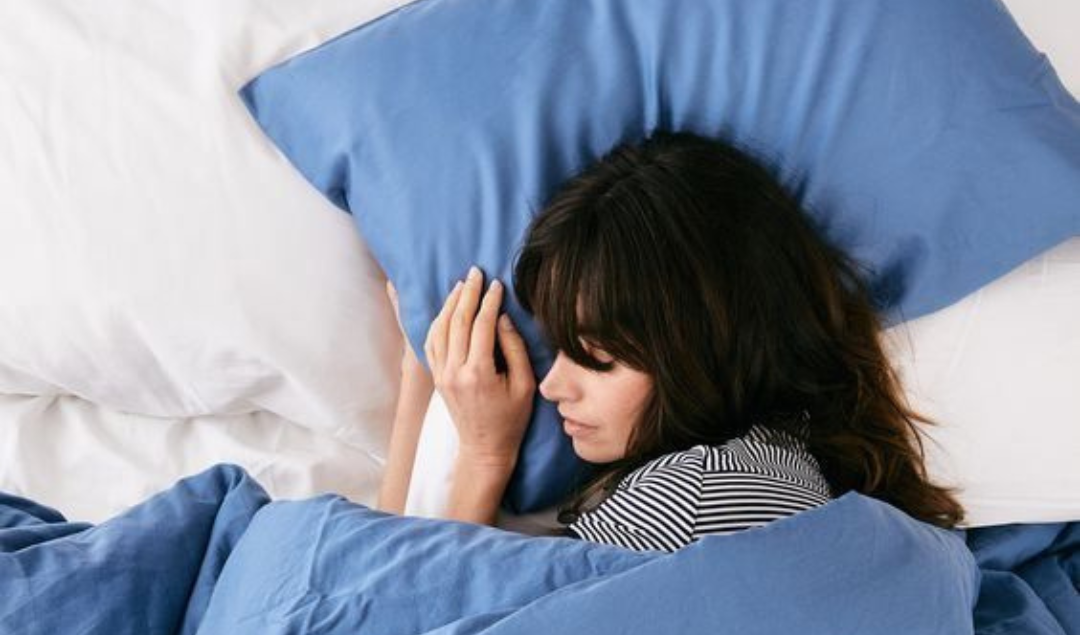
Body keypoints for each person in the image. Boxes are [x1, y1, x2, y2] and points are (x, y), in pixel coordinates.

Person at [377, 128, 965, 552]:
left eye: (598, 357)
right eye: (558, 347)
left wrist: (485, 456)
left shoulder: (698, 497)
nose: (553, 385)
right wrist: (417, 374)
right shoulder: (760, 468)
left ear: (709, 343)